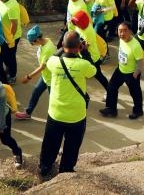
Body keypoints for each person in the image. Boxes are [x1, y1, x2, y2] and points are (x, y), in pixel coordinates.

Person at [38, 31, 96, 179]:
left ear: (63, 45)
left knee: (50, 144)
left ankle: (44, 168)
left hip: (56, 113)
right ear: (78, 46)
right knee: (72, 146)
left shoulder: (53, 63)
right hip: (76, 115)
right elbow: (93, 70)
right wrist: (85, 51)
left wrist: (65, 47)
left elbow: (54, 56)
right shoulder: (83, 65)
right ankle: (66, 171)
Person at [100, 22, 144, 119]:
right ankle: (111, 109)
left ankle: (138, 111)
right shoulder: (121, 40)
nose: (122, 33)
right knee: (111, 87)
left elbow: (140, 62)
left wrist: (136, 73)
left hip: (131, 73)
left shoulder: (135, 45)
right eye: (120, 31)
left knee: (135, 92)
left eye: (125, 31)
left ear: (130, 31)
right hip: (120, 70)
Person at [15, 25, 56, 120]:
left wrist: (28, 77)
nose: (32, 45)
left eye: (32, 43)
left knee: (54, 100)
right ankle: (28, 112)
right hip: (46, 76)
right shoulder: (45, 42)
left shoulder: (48, 49)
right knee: (36, 92)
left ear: (37, 39)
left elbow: (42, 67)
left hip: (52, 78)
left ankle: (56, 118)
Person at [0, 0, 22, 83]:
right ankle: (9, 71)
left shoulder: (12, 6)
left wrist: (9, 39)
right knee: (6, 56)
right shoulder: (2, 1)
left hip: (12, 36)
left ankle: (12, 76)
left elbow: (14, 25)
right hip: (5, 34)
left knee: (10, 57)